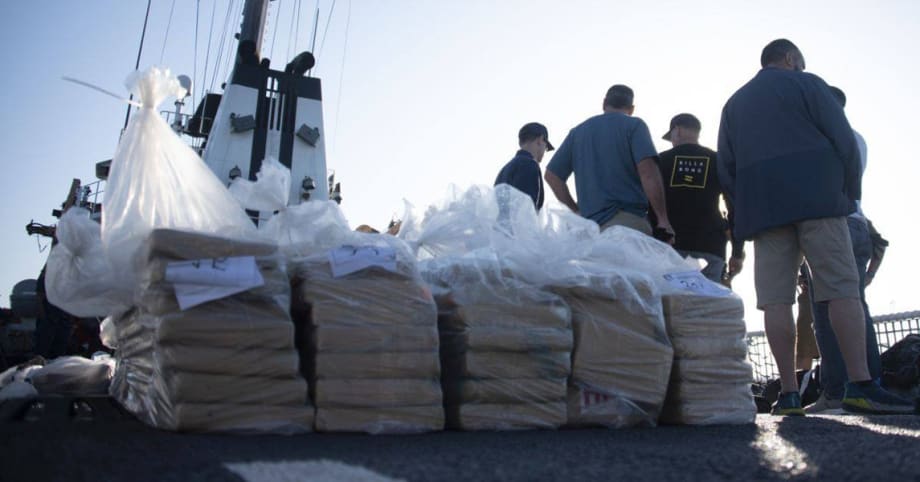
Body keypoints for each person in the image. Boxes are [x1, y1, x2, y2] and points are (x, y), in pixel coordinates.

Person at [717, 38, 915, 415]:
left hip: (764, 211)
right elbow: (845, 143)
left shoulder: (735, 103)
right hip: (820, 204)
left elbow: (726, 167)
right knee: (842, 291)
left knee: (775, 301)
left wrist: (742, 215)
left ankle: (789, 394)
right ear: (790, 58)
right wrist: (848, 193)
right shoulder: (810, 85)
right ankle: (861, 385)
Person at [805, 86, 882, 412]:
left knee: (826, 312)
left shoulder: (826, 139)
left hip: (832, 226)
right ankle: (868, 387)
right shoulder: (856, 138)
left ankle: (837, 391)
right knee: (854, 307)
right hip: (855, 225)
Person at [544, 84, 673, 240]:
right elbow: (648, 173)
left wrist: (576, 211)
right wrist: (663, 219)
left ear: (604, 103)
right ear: (631, 109)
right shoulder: (634, 125)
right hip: (627, 225)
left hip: (588, 232)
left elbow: (552, 175)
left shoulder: (578, 132)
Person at [651, 113, 744, 282]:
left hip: (670, 247)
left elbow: (649, 203)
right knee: (709, 303)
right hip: (711, 247)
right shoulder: (718, 161)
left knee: (672, 303)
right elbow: (734, 206)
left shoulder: (661, 161)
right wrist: (737, 252)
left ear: (677, 130)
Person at [494, 122, 554, 210]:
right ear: (540, 140)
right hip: (517, 223)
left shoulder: (505, 169)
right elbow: (526, 211)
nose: (545, 151)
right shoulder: (530, 165)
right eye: (546, 147)